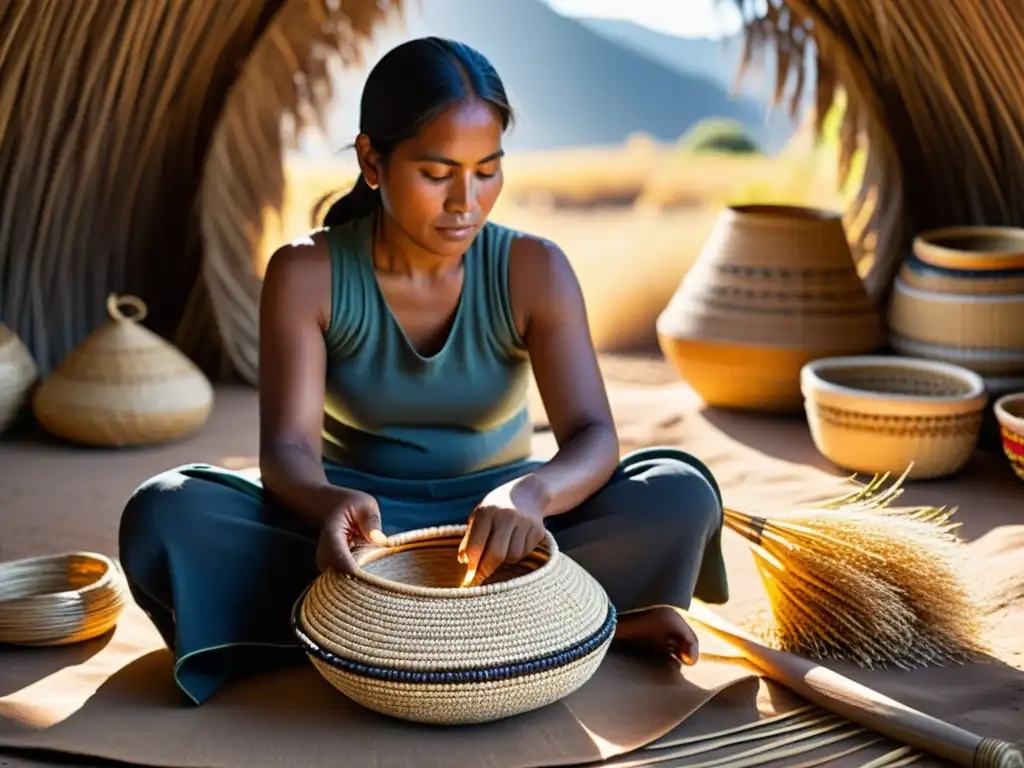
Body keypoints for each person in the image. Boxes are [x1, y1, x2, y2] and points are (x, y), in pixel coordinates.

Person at [118, 36, 729, 707]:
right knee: (168, 511)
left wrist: (532, 495)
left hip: (505, 527)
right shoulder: (307, 273)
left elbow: (592, 435)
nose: (467, 201)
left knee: (678, 491)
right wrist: (328, 506)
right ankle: (561, 618)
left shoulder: (534, 269)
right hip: (358, 526)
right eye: (438, 174)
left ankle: (355, 630)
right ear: (372, 161)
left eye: (488, 170)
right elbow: (288, 452)